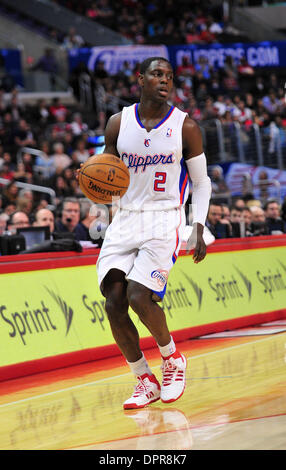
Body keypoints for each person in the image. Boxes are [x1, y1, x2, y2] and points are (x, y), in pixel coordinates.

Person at [78, 57, 211, 410]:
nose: (164, 80)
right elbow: (106, 174)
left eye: (169, 76)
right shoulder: (117, 123)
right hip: (125, 218)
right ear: (140, 79)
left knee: (139, 296)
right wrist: (90, 177)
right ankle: (143, 379)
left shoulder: (186, 127)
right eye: (157, 74)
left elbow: (201, 182)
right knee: (113, 302)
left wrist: (198, 226)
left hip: (164, 218)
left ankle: (172, 360)